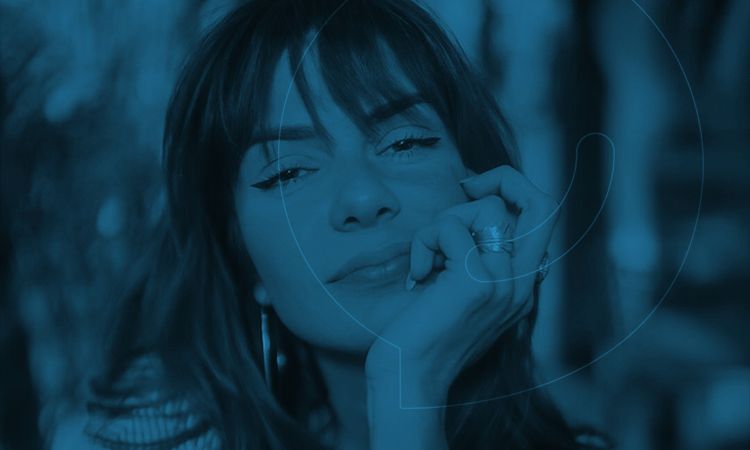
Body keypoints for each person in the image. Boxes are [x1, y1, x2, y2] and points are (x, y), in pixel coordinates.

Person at [83, 0, 610, 448]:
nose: (363, 197)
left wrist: (409, 390)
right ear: (246, 261)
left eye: (404, 143)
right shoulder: (155, 435)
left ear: (479, 182)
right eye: (288, 172)